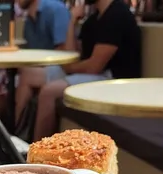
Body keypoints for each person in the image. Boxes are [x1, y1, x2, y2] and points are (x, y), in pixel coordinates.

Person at [16, 0, 141, 141]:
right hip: (93, 75)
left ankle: (36, 156)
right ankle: (16, 137)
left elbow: (94, 66)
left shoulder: (117, 14)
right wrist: (71, 21)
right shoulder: (93, 20)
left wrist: (70, 68)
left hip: (115, 81)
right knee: (28, 74)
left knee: (49, 91)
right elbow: (72, 55)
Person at [0, 0, 71, 113]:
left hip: (62, 68)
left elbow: (64, 52)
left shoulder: (56, 9)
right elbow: (29, 53)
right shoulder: (28, 20)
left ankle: (16, 129)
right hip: (40, 67)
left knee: (24, 75)